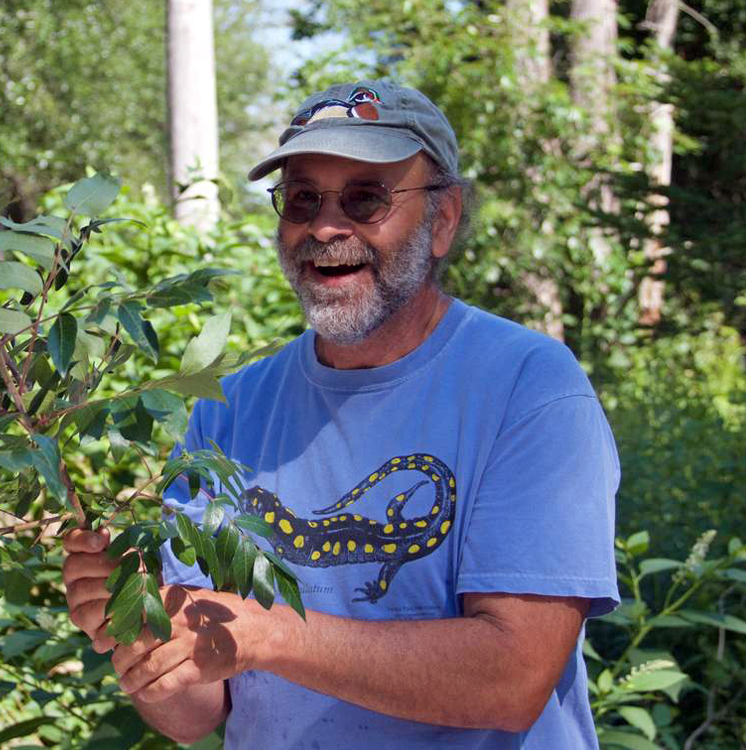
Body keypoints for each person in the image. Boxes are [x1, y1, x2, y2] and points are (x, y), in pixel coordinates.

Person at [63, 80, 620, 748]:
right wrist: (141, 625)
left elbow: (513, 680)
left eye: (366, 197)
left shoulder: (529, 387)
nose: (326, 228)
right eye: (303, 199)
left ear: (443, 219)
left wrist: (270, 633)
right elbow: (196, 713)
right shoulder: (230, 408)